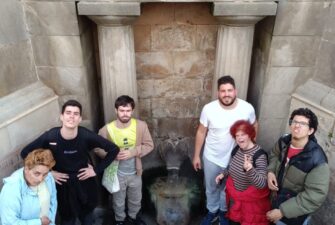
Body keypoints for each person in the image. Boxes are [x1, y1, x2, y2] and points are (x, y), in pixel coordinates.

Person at [20, 99, 120, 225]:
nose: (71, 116)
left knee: (88, 218)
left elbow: (114, 149)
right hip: (62, 185)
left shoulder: (86, 135)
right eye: (68, 113)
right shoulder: (51, 136)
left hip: (84, 182)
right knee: (67, 220)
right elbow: (25, 153)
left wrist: (95, 170)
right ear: (61, 117)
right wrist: (49, 173)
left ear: (80, 118)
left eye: (75, 114)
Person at [192, 75, 258, 225]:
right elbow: (201, 132)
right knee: (211, 187)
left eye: (229, 90)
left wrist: (251, 148)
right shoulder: (209, 109)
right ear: (218, 93)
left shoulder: (247, 108)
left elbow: (254, 125)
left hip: (236, 158)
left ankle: (223, 212)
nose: (226, 94)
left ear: (235, 91)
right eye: (223, 91)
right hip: (212, 156)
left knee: (228, 189)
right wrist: (196, 155)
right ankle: (212, 211)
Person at [95, 95, 154, 225]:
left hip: (135, 172)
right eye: (122, 110)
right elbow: (97, 149)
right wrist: (112, 155)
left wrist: (133, 152)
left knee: (136, 198)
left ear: (132, 111)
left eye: (128, 111)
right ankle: (119, 220)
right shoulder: (106, 129)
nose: (125, 114)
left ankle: (133, 218)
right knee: (118, 200)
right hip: (116, 173)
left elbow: (149, 145)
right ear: (116, 110)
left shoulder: (141, 126)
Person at [266, 108, 330, 225]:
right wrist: (270, 171)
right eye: (294, 122)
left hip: (293, 217)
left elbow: (314, 196)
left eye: (302, 124)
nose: (296, 126)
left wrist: (282, 212)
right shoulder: (284, 141)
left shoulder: (317, 160)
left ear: (310, 131)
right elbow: (274, 155)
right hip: (274, 202)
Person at [215, 120, 270, 225]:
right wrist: (223, 174)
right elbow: (231, 166)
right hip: (235, 200)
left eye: (243, 134)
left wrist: (250, 170)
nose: (239, 138)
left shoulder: (259, 155)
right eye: (237, 135)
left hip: (250, 205)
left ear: (250, 135)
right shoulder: (237, 149)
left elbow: (262, 184)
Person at [0, 149, 57, 225]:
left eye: (45, 174)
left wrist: (51, 221)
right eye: (37, 173)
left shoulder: (48, 177)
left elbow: (53, 201)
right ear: (26, 169)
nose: (41, 179)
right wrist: (39, 222)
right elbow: (8, 222)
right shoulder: (11, 189)